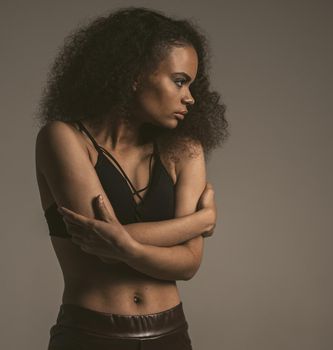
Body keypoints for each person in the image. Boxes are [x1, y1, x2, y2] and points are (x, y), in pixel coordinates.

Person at [35, 7, 229, 349]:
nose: (190, 97)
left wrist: (126, 245)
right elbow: (101, 248)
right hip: (89, 335)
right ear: (135, 74)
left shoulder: (185, 150)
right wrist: (200, 220)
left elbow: (187, 264)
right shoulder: (63, 138)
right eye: (180, 80)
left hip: (170, 334)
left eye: (192, 84)